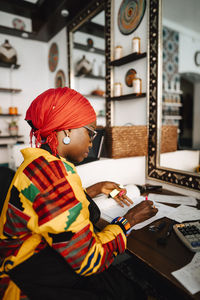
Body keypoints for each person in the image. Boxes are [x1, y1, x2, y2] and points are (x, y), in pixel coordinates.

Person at [0, 87, 158, 300]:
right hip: (29, 279)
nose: (92, 142)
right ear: (66, 131)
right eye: (90, 132)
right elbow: (89, 261)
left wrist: (94, 189)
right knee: (130, 293)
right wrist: (129, 220)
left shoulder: (39, 163)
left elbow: (48, 204)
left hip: (31, 261)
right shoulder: (54, 174)